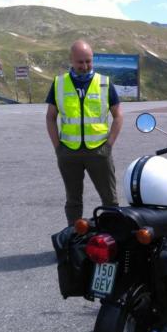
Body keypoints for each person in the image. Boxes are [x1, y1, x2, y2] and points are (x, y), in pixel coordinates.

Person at [45, 40, 123, 226]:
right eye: (80, 62)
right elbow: (50, 118)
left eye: (89, 61)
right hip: (69, 152)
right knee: (73, 201)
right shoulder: (59, 83)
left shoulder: (104, 83)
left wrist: (108, 145)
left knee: (110, 200)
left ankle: (112, 237)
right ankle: (74, 238)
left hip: (99, 152)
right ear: (71, 60)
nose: (85, 66)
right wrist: (58, 148)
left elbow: (118, 116)